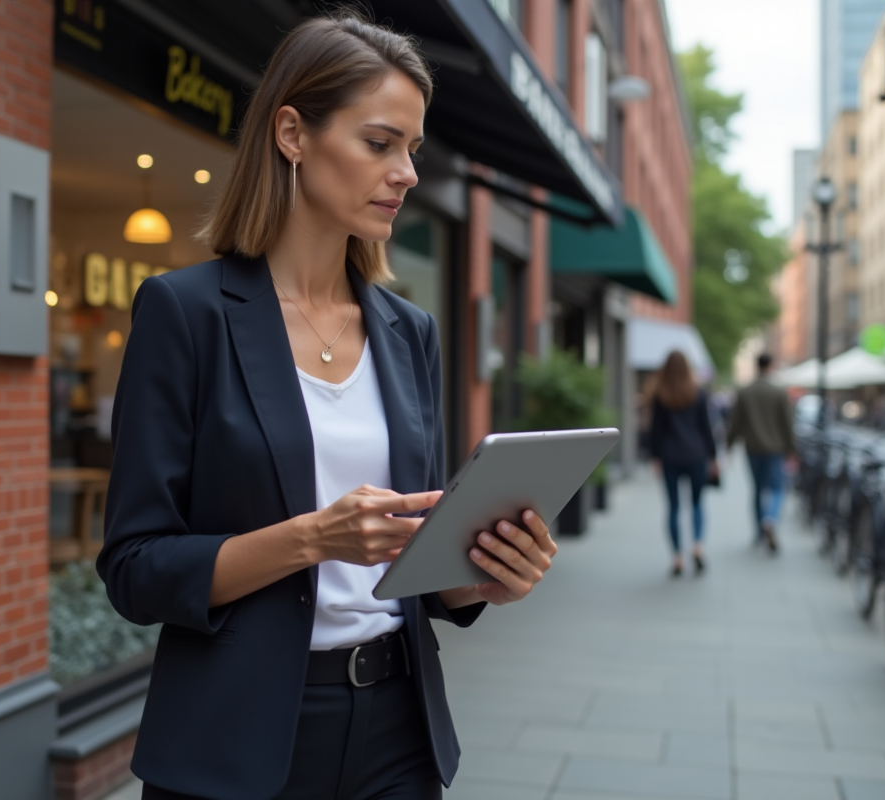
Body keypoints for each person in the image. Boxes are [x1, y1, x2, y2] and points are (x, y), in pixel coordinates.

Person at [97, 15, 556, 800]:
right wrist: (313, 538)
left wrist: (481, 576)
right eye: (380, 143)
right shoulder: (186, 313)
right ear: (292, 134)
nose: (407, 172)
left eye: (412, 148)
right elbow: (135, 570)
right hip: (237, 739)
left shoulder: (410, 332)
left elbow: (412, 553)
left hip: (397, 734)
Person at [648, 351, 718, 576]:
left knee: (673, 508)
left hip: (670, 457)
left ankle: (677, 557)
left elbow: (655, 431)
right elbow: (706, 428)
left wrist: (655, 457)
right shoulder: (698, 393)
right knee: (697, 503)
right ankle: (697, 545)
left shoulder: (660, 395)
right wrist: (713, 457)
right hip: (696, 455)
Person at [726, 353, 796, 552]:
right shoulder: (779, 392)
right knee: (776, 488)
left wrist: (728, 445)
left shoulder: (745, 391)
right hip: (775, 449)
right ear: (771, 365)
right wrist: (792, 448)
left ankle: (759, 531)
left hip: (753, 448)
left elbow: (736, 422)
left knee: (757, 490)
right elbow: (787, 423)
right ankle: (770, 519)